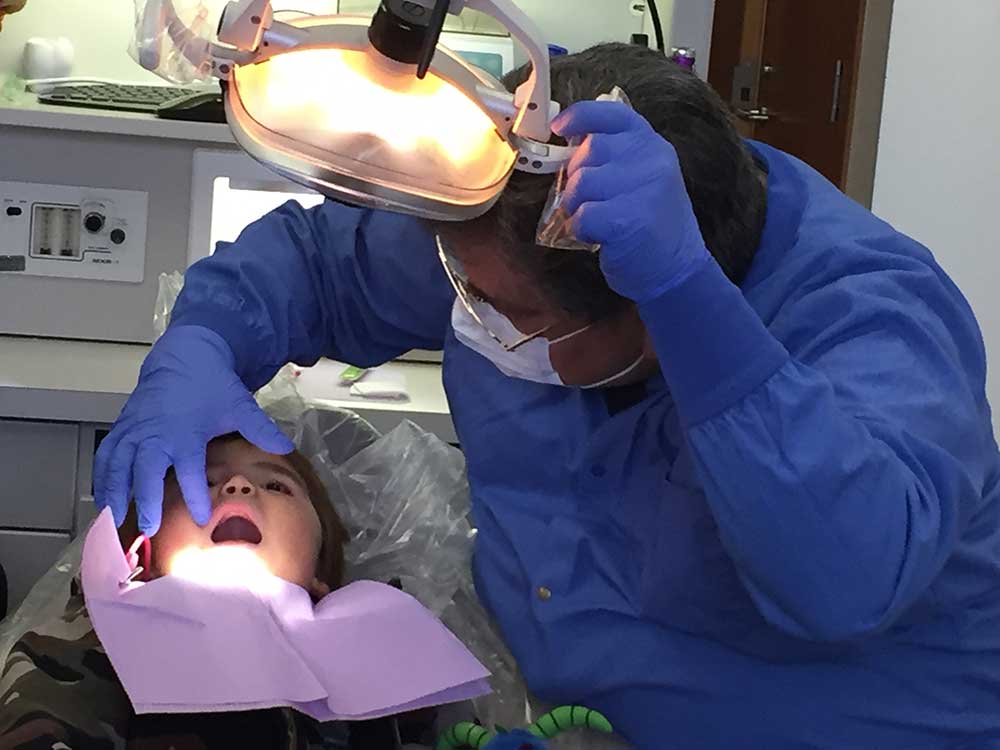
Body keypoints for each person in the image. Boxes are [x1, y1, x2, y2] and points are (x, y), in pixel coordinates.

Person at [94, 42, 1000, 749]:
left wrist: (694, 310)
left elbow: (849, 574)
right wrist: (202, 344)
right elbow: (322, 267)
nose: (475, 321)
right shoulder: (520, 218)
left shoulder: (874, 321)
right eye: (465, 290)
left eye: (507, 314)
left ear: (646, 318)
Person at [0, 434, 425, 750]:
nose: (238, 486)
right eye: (198, 483)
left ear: (320, 575)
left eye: (276, 486)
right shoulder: (88, 646)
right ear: (143, 556)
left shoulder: (369, 667)